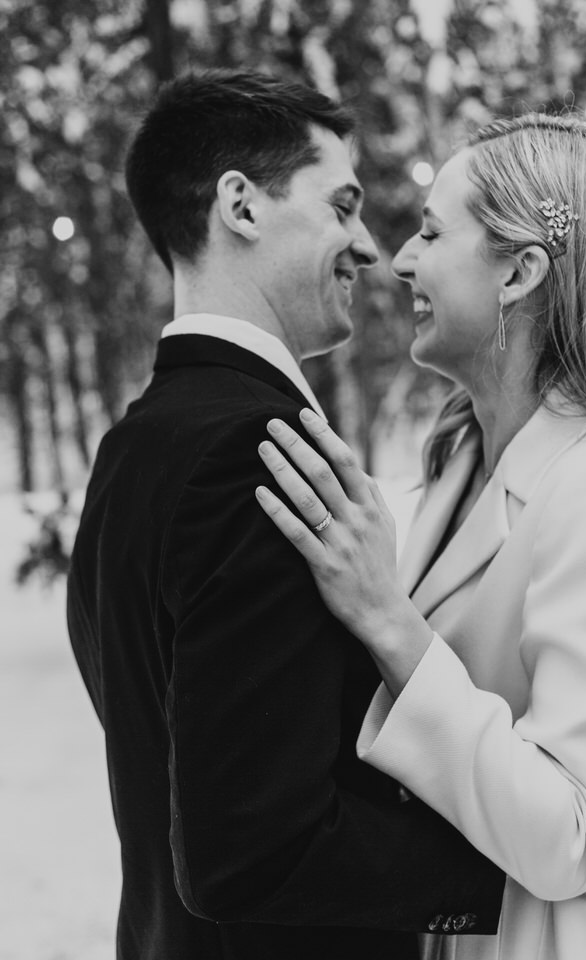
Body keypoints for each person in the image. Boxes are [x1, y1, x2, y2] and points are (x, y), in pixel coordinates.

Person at [66, 69, 507, 960]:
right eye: (342, 205)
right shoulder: (255, 452)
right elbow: (252, 851)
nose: (367, 248)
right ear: (241, 205)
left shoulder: (135, 449)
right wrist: (507, 869)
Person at [255, 112, 586, 959]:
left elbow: (574, 837)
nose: (399, 261)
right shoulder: (454, 465)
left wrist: (392, 622)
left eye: (431, 232)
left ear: (519, 273)